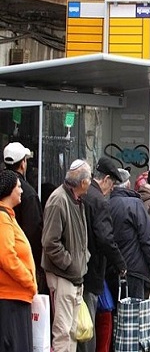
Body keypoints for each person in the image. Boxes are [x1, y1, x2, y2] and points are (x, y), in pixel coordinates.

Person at [42, 159, 92, 352]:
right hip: (63, 275)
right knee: (63, 332)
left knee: (72, 330)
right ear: (83, 182)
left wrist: (83, 260)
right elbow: (50, 243)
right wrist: (71, 264)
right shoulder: (59, 200)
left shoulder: (76, 200)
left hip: (73, 275)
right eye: (89, 178)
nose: (91, 181)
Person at [79, 157, 127, 352]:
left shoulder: (84, 194)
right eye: (112, 184)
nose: (112, 189)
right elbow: (106, 239)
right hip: (91, 269)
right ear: (106, 179)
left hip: (79, 267)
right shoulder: (98, 200)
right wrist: (121, 263)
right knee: (88, 322)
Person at [109, 168, 150, 300]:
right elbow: (147, 238)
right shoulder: (135, 204)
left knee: (115, 313)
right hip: (134, 270)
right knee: (133, 315)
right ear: (128, 184)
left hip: (111, 269)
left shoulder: (106, 204)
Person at [0, 170, 37, 352]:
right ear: (9, 190)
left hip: (16, 297)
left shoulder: (8, 217)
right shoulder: (2, 218)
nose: (22, 191)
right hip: (10, 298)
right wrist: (29, 281)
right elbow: (7, 257)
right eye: (19, 187)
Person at [3, 142, 45, 293]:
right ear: (22, 164)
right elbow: (34, 231)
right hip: (21, 268)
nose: (19, 191)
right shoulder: (28, 194)